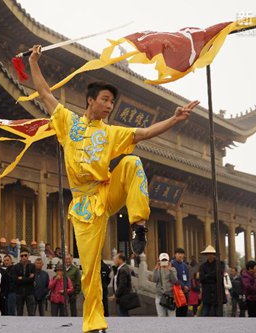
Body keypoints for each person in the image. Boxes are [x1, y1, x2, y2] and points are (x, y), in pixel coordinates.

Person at [28, 44, 197, 333]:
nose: (109, 105)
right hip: (83, 205)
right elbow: (45, 93)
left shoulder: (111, 133)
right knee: (90, 270)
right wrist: (33, 62)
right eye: (105, 100)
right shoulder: (68, 123)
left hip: (106, 190)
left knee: (132, 163)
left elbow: (143, 133)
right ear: (90, 100)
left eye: (112, 102)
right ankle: (94, 324)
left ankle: (139, 226)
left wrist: (174, 119)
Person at [199, 245, 226, 316]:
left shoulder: (220, 264)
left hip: (217, 292)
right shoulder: (203, 266)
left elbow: (219, 276)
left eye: (211, 254)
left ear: (214, 255)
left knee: (218, 314)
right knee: (205, 313)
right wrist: (212, 276)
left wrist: (207, 275)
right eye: (208, 254)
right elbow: (201, 279)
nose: (210, 255)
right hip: (207, 292)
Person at [152, 253, 178, 317]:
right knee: (161, 316)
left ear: (168, 261)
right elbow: (154, 280)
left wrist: (170, 270)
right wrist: (156, 269)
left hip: (170, 296)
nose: (164, 262)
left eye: (165, 260)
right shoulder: (157, 269)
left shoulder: (173, 269)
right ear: (159, 261)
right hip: (160, 296)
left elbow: (175, 281)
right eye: (162, 260)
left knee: (172, 316)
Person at [13, 250, 36, 316]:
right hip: (19, 292)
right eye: (22, 256)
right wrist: (27, 278)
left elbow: (32, 279)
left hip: (30, 292)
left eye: (25, 255)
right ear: (20, 257)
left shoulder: (32, 266)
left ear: (28, 256)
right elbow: (15, 280)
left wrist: (21, 278)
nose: (24, 257)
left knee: (31, 313)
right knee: (19, 313)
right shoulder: (16, 266)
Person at [109, 253, 133, 317]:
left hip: (123, 297)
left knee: (123, 315)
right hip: (121, 296)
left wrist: (115, 295)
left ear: (120, 259)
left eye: (115, 259)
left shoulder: (123, 269)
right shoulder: (121, 268)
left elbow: (122, 285)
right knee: (123, 314)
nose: (114, 261)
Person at [171, 248, 190, 317]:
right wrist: (183, 286)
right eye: (178, 254)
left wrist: (188, 286)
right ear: (175, 255)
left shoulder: (185, 266)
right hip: (177, 291)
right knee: (178, 311)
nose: (180, 255)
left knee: (184, 310)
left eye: (182, 254)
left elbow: (188, 277)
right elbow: (174, 278)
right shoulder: (172, 264)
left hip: (185, 292)